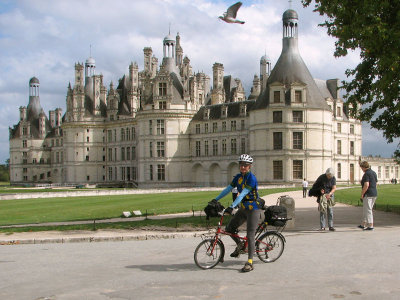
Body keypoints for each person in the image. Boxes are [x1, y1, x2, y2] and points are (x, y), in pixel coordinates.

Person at [212, 154, 261, 272]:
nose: (243, 167)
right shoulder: (238, 177)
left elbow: (243, 193)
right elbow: (228, 189)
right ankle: (240, 245)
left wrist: (232, 206)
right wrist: (215, 199)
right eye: (241, 165)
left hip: (253, 208)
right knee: (229, 228)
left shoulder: (252, 178)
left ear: (249, 166)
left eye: (245, 165)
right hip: (244, 208)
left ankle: (250, 262)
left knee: (250, 235)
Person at [359, 161, 378, 230]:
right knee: (366, 209)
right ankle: (363, 223)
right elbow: (376, 183)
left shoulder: (366, 174)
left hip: (368, 194)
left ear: (363, 167)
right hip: (374, 193)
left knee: (368, 210)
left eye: (361, 168)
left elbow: (366, 185)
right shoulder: (373, 173)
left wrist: (362, 194)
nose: (361, 169)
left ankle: (370, 225)